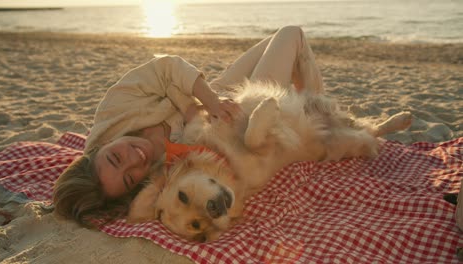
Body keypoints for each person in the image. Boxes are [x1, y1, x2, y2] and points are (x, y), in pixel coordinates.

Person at [53, 25, 324, 226]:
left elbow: (167, 69)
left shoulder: (113, 110)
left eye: (115, 157)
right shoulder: (157, 183)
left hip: (217, 95)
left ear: (98, 147)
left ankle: (315, 104)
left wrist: (209, 102)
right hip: (238, 122)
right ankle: (316, 107)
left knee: (286, 34)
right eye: (129, 177)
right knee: (293, 38)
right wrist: (197, 114)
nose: (135, 159)